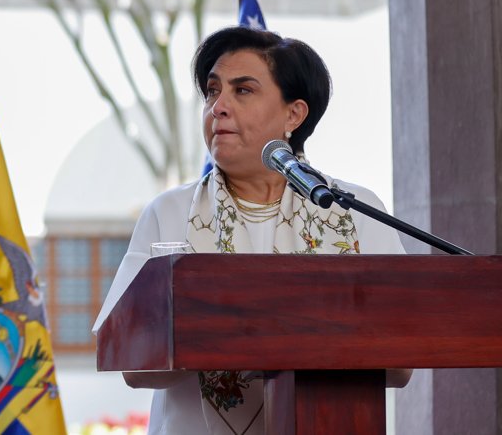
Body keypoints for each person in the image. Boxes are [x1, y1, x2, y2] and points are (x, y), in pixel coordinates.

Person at [91, 26, 408, 435]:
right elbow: (130, 362)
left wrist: (253, 333)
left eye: (242, 90)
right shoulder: (169, 213)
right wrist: (265, 335)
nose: (218, 106)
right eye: (212, 91)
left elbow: (400, 364)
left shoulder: (353, 211)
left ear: (293, 114)